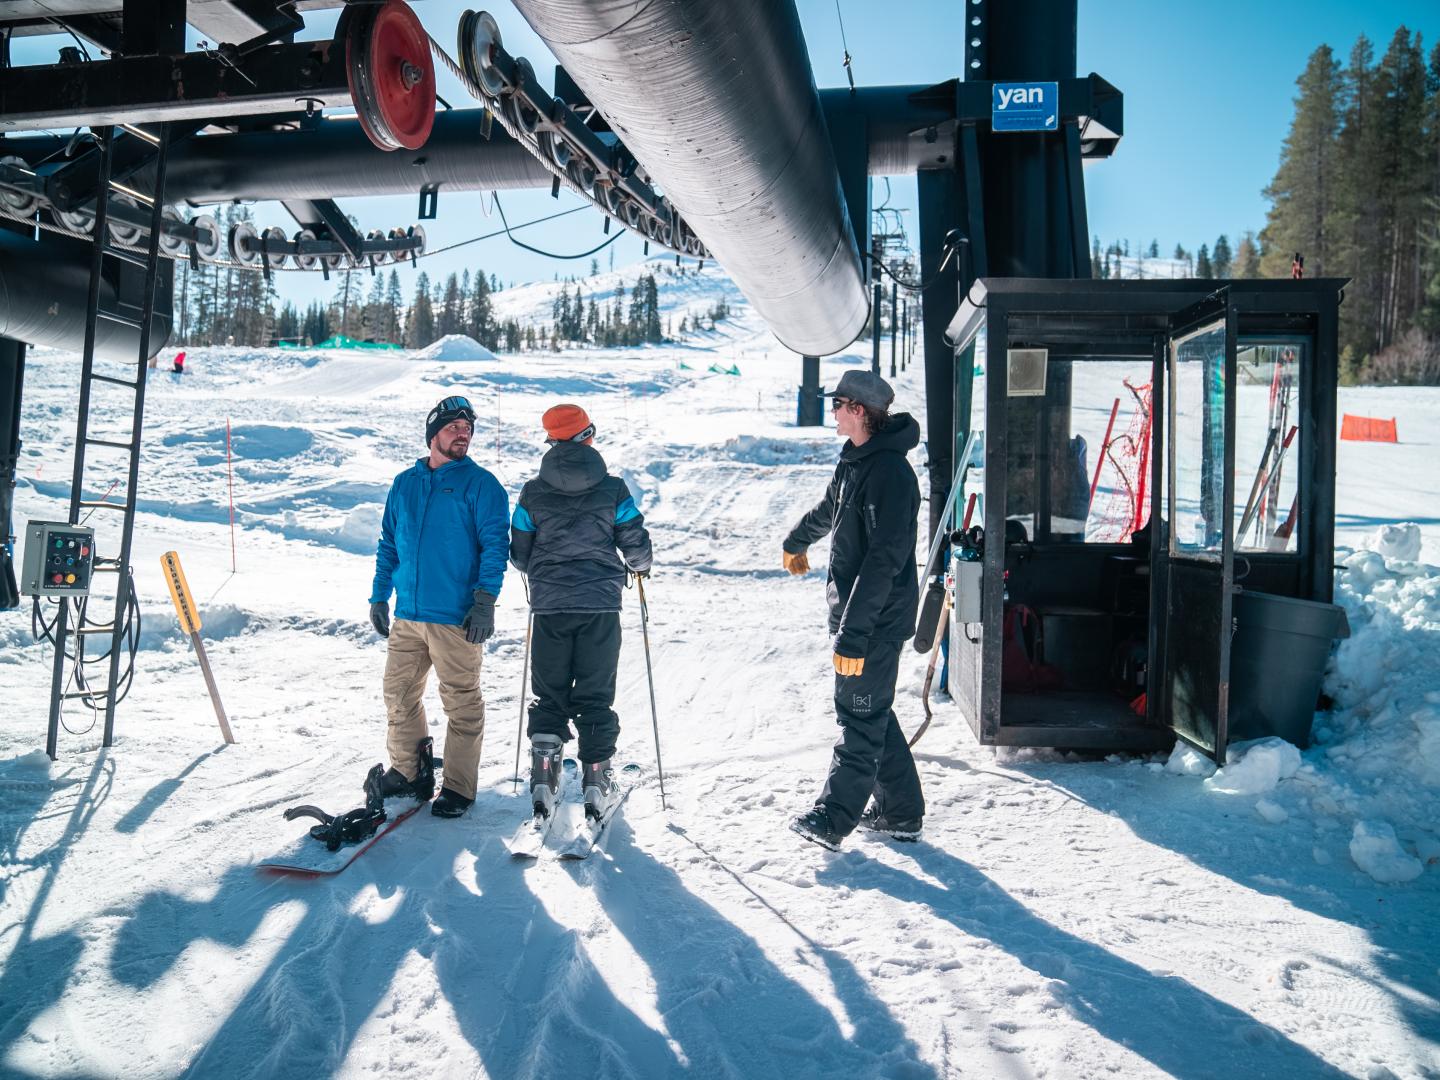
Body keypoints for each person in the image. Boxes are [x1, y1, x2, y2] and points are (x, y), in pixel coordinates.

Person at [782, 369, 926, 849]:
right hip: (860, 619)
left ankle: (833, 817)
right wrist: (797, 539)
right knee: (874, 712)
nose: (833, 411)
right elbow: (830, 509)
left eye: (838, 404)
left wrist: (854, 632)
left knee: (859, 716)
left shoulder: (891, 475)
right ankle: (901, 812)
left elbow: (883, 561)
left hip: (873, 622)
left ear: (859, 411)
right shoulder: (856, 462)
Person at [509, 404, 652, 822]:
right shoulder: (614, 489)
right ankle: (596, 782)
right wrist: (640, 566)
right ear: (587, 436)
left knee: (549, 693)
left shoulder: (532, 492)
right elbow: (635, 545)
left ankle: (544, 778)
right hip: (601, 606)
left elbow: (520, 554)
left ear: (552, 441)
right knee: (594, 695)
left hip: (551, 607)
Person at [369, 396, 509, 818]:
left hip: (456, 619)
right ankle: (410, 775)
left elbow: (494, 548)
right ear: (433, 435)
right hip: (408, 616)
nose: (462, 434)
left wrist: (484, 602)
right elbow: (389, 544)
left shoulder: (482, 485)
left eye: (467, 429)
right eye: (454, 428)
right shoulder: (404, 483)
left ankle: (459, 789)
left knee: (462, 704)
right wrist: (379, 594)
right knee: (398, 696)